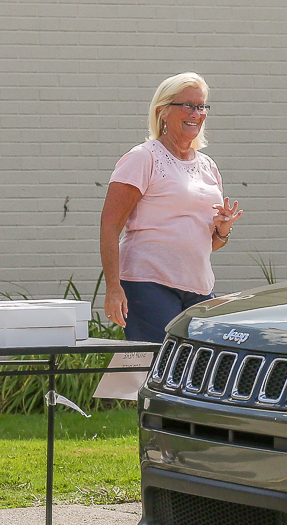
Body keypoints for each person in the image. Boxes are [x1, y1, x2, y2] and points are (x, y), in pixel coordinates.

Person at [100, 72, 242, 341]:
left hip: (199, 289)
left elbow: (207, 244)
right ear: (162, 111)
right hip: (148, 285)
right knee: (159, 363)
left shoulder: (208, 166)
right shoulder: (144, 158)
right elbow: (110, 225)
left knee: (197, 366)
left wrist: (222, 231)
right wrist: (113, 288)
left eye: (201, 106)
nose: (196, 114)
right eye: (187, 105)